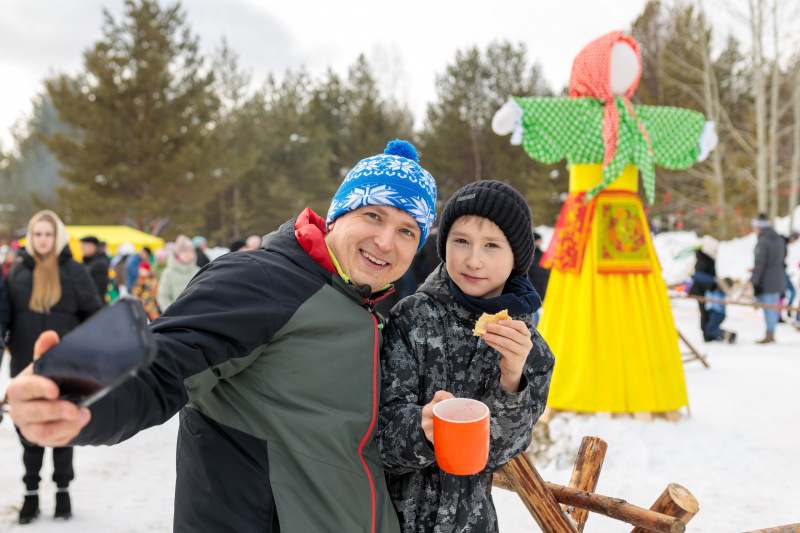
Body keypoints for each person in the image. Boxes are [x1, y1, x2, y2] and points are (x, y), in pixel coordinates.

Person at [6, 139, 436, 532]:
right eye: (373, 216)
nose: (385, 241)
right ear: (339, 215)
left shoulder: (369, 310)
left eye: (406, 231)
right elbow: (161, 363)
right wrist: (67, 393)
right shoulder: (264, 279)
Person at [377, 181, 554, 533]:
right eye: (461, 241)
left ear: (516, 257)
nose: (473, 260)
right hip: (393, 522)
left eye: (491, 245)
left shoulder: (528, 346)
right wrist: (423, 428)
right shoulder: (410, 319)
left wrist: (512, 377)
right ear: (443, 246)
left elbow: (502, 452)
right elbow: (377, 439)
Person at [5, 210, 102, 523]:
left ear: (57, 236)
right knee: (29, 432)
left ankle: (63, 492)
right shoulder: (17, 273)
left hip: (66, 367)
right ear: (31, 238)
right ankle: (30, 495)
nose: (42, 240)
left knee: (62, 428)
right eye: (37, 234)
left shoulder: (75, 271)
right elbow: (3, 319)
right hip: (26, 366)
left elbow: (93, 315)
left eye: (48, 234)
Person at [750, 214, 787, 344]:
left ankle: (770, 333)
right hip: (778, 278)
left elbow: (759, 264)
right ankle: (771, 332)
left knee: (768, 308)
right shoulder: (779, 240)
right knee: (773, 307)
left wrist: (755, 282)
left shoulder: (763, 242)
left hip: (767, 280)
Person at [155, 236, 200, 312]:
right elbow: (163, 296)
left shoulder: (199, 271)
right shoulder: (168, 273)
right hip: (176, 318)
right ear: (178, 253)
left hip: (197, 316)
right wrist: (172, 313)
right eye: (185, 251)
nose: (188, 254)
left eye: (190, 251)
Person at [690, 235, 719, 341]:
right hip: (702, 290)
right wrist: (712, 284)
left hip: (707, 290)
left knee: (707, 312)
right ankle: (707, 333)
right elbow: (701, 277)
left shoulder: (706, 257)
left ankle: (709, 332)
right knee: (704, 312)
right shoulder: (703, 259)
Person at [527, 231, 550, 327]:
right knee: (534, 315)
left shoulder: (544, 255)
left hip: (543, 290)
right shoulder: (528, 255)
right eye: (539, 240)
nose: (541, 242)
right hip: (532, 292)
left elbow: (546, 274)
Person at [704, 278, 736, 343]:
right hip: (719, 312)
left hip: (717, 312)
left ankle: (728, 335)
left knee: (710, 329)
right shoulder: (723, 291)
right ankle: (723, 336)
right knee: (713, 327)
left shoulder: (719, 289)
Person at [80, 236, 110, 306]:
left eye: (84, 245)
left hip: (95, 307)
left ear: (91, 245)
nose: (81, 248)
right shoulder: (88, 262)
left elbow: (100, 290)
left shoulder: (99, 264)